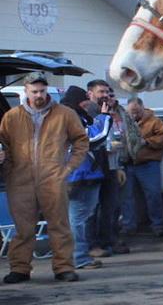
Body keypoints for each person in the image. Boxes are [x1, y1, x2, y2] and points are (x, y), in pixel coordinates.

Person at [0, 72, 88, 283]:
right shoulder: (12, 117)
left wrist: (68, 169)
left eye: (42, 90)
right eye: (34, 91)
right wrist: (6, 162)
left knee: (59, 225)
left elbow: (81, 141)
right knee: (23, 228)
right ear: (27, 91)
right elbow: (3, 143)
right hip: (20, 179)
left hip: (53, 177)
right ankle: (20, 268)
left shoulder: (64, 114)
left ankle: (64, 267)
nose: (39, 95)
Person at [63, 86, 113, 270]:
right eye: (85, 98)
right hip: (78, 175)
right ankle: (79, 258)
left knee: (80, 217)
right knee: (78, 219)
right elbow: (93, 139)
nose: (88, 101)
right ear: (78, 101)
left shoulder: (78, 115)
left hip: (85, 174)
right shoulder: (70, 117)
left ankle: (75, 256)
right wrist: (104, 117)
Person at [87, 80, 138, 256]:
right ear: (90, 94)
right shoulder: (87, 113)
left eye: (107, 93)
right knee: (92, 208)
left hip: (112, 165)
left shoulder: (114, 113)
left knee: (112, 207)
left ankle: (109, 240)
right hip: (92, 167)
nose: (105, 96)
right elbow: (93, 139)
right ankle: (92, 244)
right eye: (101, 92)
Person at [124, 97, 163, 237]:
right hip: (128, 164)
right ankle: (128, 226)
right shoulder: (125, 122)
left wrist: (147, 142)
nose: (134, 114)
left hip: (148, 164)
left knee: (153, 195)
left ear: (142, 108)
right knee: (127, 197)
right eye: (131, 112)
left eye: (137, 111)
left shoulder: (155, 122)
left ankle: (157, 226)